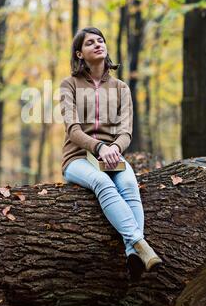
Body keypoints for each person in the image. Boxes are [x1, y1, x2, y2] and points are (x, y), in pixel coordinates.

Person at [59, 26, 162, 282]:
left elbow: (126, 131)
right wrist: (99, 147)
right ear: (79, 54)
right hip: (78, 158)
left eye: (101, 40)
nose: (97, 44)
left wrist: (115, 147)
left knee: (129, 184)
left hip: (112, 156)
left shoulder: (121, 88)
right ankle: (139, 241)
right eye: (90, 42)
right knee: (101, 182)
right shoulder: (68, 85)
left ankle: (133, 255)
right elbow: (72, 129)